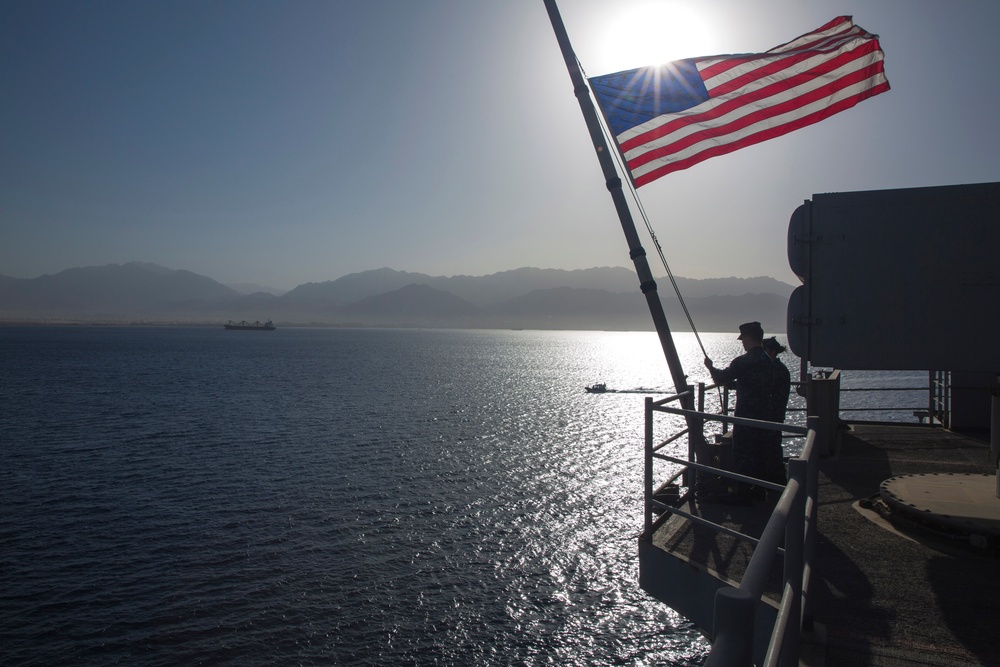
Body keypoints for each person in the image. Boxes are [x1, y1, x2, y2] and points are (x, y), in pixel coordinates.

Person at [704, 322, 784, 501]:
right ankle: (758, 489)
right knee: (759, 452)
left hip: (745, 416)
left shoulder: (743, 361)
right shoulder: (768, 361)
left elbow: (720, 378)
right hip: (764, 416)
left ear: (748, 338)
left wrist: (710, 366)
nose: (742, 343)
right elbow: (759, 384)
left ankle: (744, 491)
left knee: (742, 453)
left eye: (743, 340)